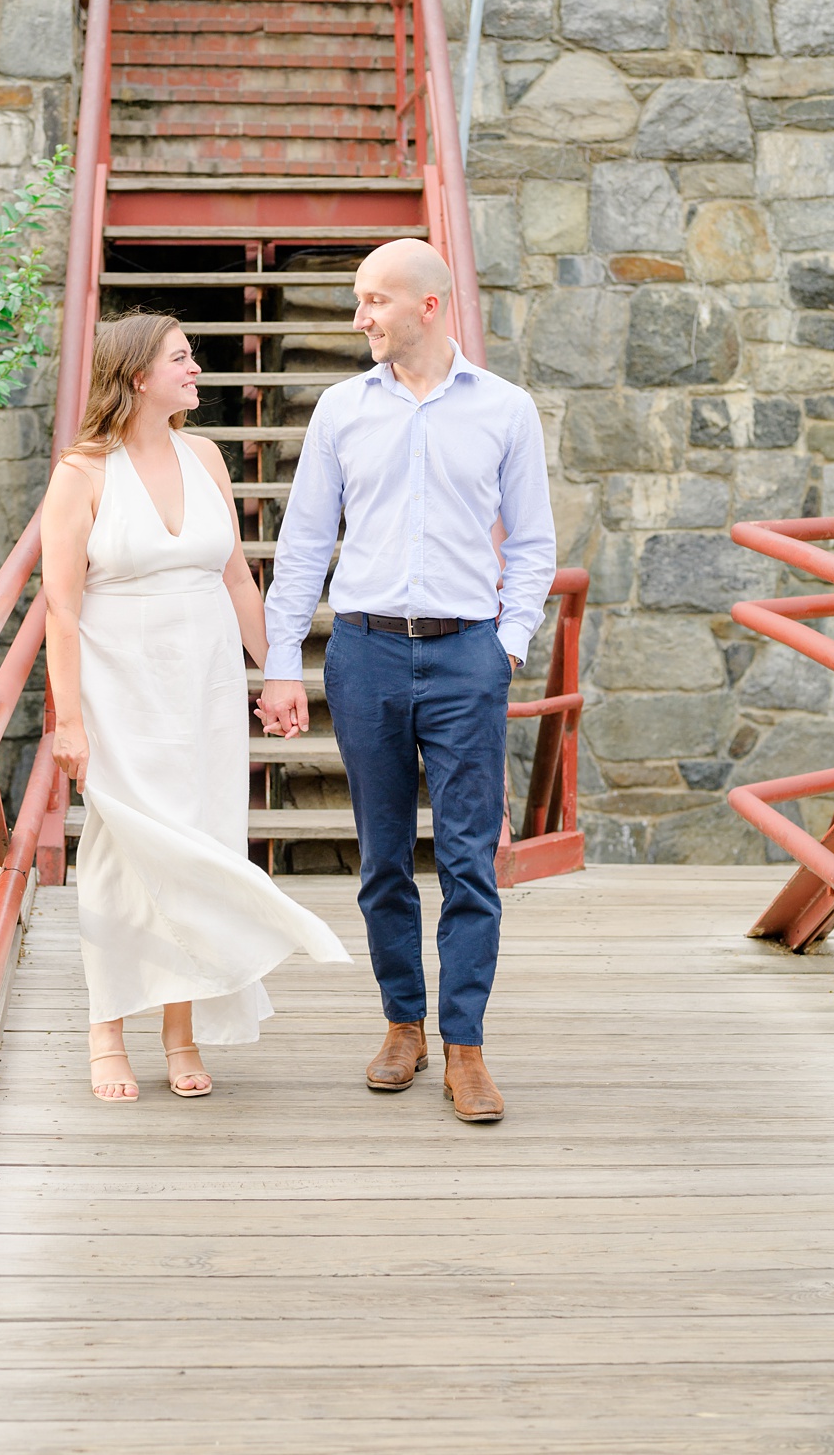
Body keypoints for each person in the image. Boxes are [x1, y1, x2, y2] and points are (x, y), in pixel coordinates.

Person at [257, 239, 555, 1124]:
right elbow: (306, 543)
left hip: (468, 655)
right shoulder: (341, 411)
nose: (360, 318)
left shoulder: (506, 411)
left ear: (429, 305)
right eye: (357, 301)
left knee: (470, 861)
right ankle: (402, 1024)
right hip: (366, 653)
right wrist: (281, 664)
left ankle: (465, 1045)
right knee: (383, 857)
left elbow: (532, 544)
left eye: (374, 300)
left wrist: (508, 640)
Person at [40, 313, 349, 1103]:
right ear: (138, 375)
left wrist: (278, 673)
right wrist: (67, 719)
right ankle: (106, 1029)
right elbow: (61, 610)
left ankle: (179, 1031)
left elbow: (238, 580)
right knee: (122, 856)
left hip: (204, 690)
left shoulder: (205, 456)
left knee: (200, 843)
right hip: (120, 692)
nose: (197, 371)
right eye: (182, 359)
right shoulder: (83, 473)